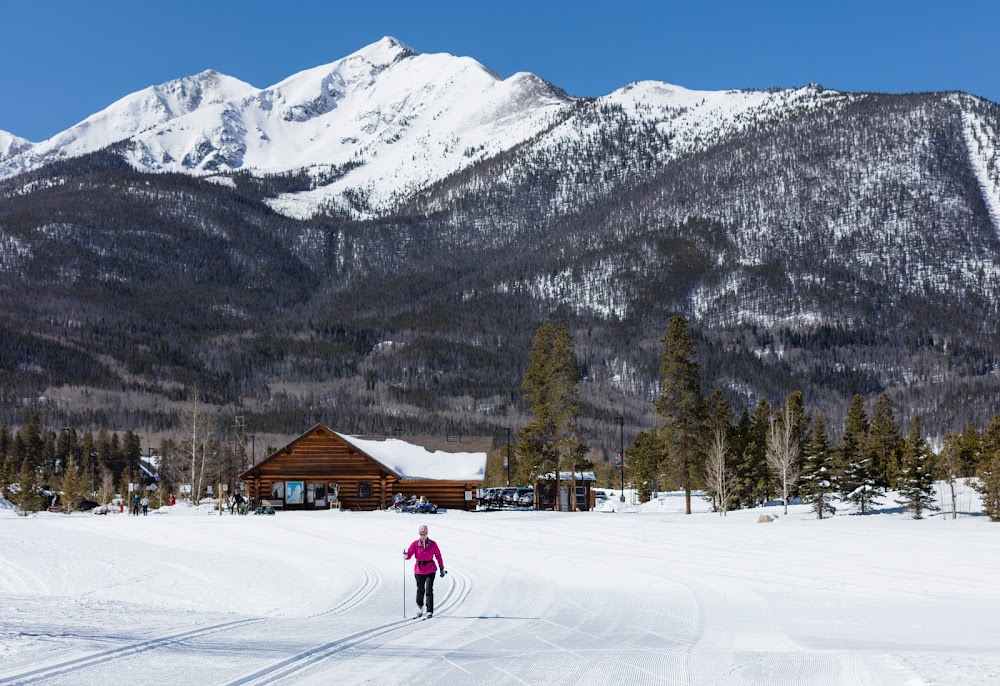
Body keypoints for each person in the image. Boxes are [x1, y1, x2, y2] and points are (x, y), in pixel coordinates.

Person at [403, 524, 445, 618]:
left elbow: (438, 556)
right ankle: (420, 607)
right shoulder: (415, 544)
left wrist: (441, 568)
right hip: (419, 570)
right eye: (421, 534)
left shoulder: (433, 544)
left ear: (427, 533)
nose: (423, 536)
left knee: (429, 590)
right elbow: (409, 554)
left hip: (430, 570)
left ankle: (429, 611)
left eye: (424, 534)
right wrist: (406, 556)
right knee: (420, 590)